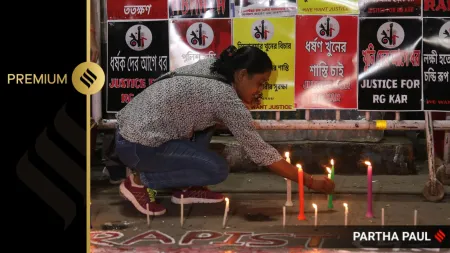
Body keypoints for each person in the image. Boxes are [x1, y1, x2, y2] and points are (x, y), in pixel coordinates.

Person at [115, 45, 335, 216]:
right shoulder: (225, 98)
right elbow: (260, 152)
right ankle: (140, 182)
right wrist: (310, 182)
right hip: (139, 146)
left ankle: (186, 189)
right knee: (216, 170)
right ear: (241, 75)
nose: (260, 90)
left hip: (130, 133)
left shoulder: (213, 67)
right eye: (260, 83)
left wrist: (240, 106)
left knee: (209, 125)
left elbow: (204, 109)